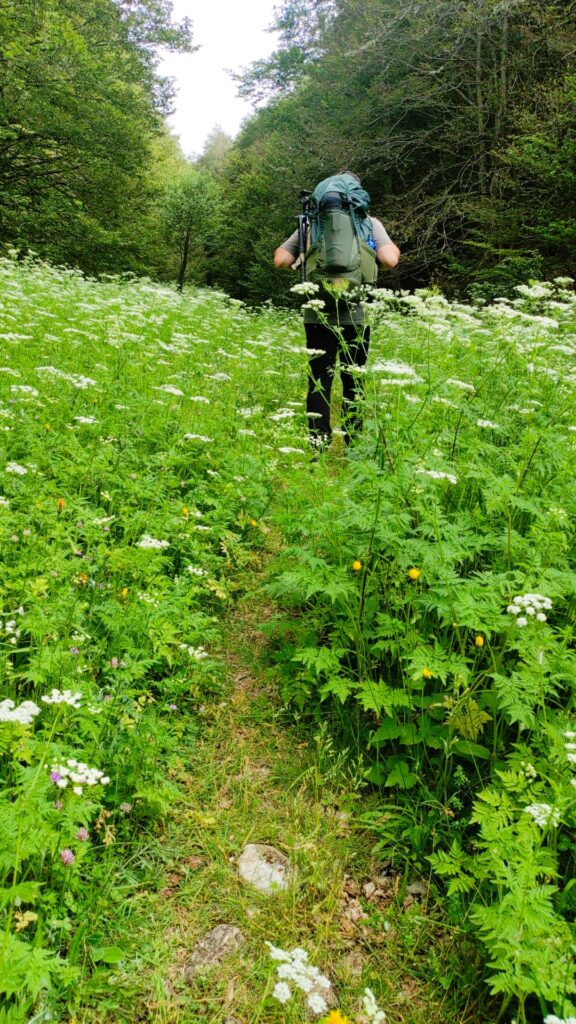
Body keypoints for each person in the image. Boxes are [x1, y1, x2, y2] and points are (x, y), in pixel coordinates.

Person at [274, 173, 400, 449]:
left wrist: (304, 260)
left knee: (319, 380)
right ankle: (353, 445)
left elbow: (281, 259)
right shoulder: (368, 223)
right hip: (356, 316)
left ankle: (318, 447)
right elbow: (390, 260)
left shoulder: (310, 225)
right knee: (354, 379)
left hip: (317, 317)